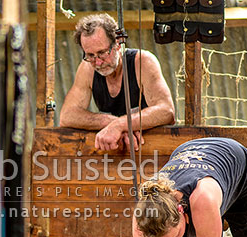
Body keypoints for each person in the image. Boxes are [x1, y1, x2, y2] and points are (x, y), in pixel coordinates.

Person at [59, 13, 175, 152]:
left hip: (154, 149)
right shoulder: (87, 67)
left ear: (118, 43)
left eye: (102, 52)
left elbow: (166, 111)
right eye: (90, 55)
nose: (98, 62)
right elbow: (67, 116)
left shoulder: (142, 62)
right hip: (115, 152)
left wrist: (121, 125)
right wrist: (112, 123)